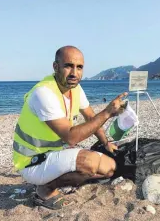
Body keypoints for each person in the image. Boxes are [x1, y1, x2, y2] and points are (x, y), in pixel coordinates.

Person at [12, 46, 127, 210]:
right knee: (89, 162)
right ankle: (44, 190)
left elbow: (90, 118)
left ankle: (54, 179)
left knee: (109, 169)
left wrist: (106, 142)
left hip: (52, 154)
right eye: (68, 66)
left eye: (79, 67)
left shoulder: (75, 89)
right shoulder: (43, 93)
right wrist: (108, 112)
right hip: (31, 162)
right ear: (55, 66)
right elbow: (71, 137)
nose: (74, 73)